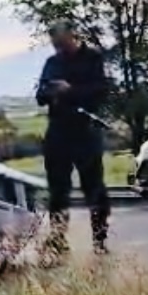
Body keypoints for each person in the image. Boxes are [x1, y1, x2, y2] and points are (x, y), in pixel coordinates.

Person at [35, 21, 113, 257]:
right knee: (58, 189)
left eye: (61, 43)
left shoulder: (93, 58)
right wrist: (51, 91)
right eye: (54, 45)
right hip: (59, 130)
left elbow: (101, 91)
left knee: (94, 187)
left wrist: (70, 90)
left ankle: (99, 239)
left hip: (85, 130)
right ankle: (58, 238)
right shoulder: (52, 63)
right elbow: (40, 95)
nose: (58, 48)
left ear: (72, 36)